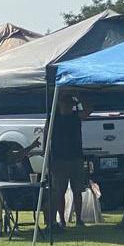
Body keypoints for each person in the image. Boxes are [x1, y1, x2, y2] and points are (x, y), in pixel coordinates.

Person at [47, 93, 89, 229]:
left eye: (70, 103)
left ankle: (79, 219)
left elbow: (89, 110)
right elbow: (46, 136)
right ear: (59, 104)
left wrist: (78, 95)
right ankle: (62, 219)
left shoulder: (76, 116)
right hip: (59, 159)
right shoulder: (53, 118)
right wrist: (47, 157)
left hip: (76, 157)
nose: (67, 106)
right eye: (65, 103)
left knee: (78, 191)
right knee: (60, 191)